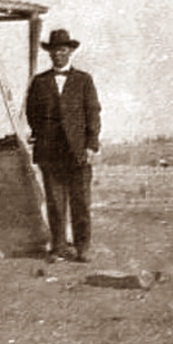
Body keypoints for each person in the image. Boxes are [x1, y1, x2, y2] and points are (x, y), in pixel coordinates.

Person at [25, 29, 101, 263]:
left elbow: (93, 113)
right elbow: (32, 113)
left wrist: (91, 145)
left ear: (70, 52)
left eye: (63, 50)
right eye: (55, 51)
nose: (59, 54)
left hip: (78, 152)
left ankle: (82, 247)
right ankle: (58, 247)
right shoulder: (40, 82)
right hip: (50, 152)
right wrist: (40, 135)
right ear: (50, 54)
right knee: (56, 203)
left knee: (81, 202)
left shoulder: (83, 80)